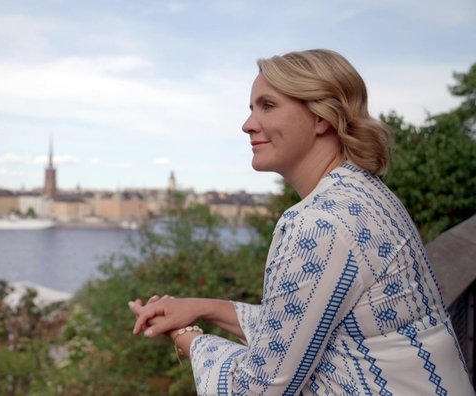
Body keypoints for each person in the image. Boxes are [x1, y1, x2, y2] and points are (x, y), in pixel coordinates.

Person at [129, 49, 474, 395]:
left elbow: (253, 389)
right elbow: (300, 327)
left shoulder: (317, 224)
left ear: (322, 117)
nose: (248, 124)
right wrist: (200, 308)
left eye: (267, 106)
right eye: (252, 108)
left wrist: (188, 337)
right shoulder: (366, 194)